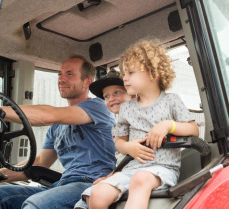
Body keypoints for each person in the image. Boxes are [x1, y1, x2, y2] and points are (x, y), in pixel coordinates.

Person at [0, 57, 117, 209]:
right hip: (62, 184)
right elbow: (40, 162)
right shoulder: (56, 127)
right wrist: (0, 174)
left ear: (87, 82)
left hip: (92, 184)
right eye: (60, 74)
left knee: (35, 205)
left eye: (69, 74)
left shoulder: (98, 107)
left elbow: (49, 115)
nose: (61, 79)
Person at [82, 40, 199, 209]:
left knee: (140, 179)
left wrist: (168, 125)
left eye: (130, 72)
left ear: (153, 73)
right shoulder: (127, 108)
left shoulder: (171, 101)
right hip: (130, 169)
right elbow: (119, 142)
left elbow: (193, 129)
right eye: (124, 73)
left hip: (162, 169)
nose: (125, 78)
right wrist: (128, 147)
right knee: (97, 194)